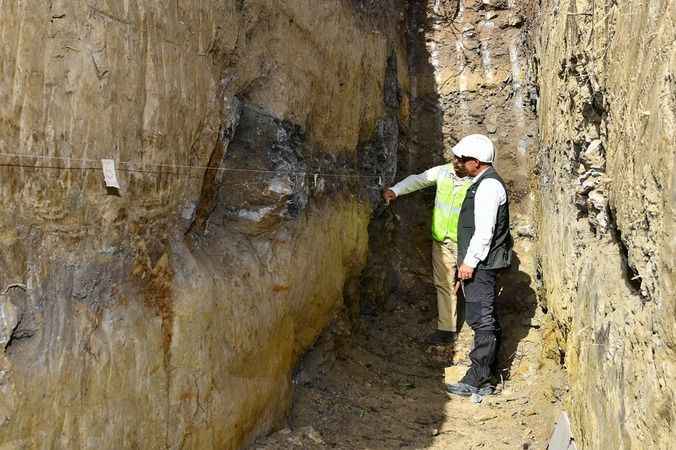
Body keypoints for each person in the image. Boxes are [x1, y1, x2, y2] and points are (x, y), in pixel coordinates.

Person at [445, 134, 513, 397]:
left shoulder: (487, 187)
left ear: (476, 162)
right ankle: (483, 376)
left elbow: (484, 231)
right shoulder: (482, 183)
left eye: (462, 160)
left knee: (481, 318)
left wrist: (469, 264)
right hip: (480, 263)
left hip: (482, 265)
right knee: (481, 317)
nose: (457, 163)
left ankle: (479, 379)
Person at [383, 148, 472, 345]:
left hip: (466, 243)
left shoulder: (478, 181)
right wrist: (395, 191)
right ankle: (447, 330)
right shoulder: (443, 172)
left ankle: (478, 330)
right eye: (455, 158)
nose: (456, 162)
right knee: (444, 285)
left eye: (461, 159)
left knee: (473, 286)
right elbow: (418, 179)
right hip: (441, 241)